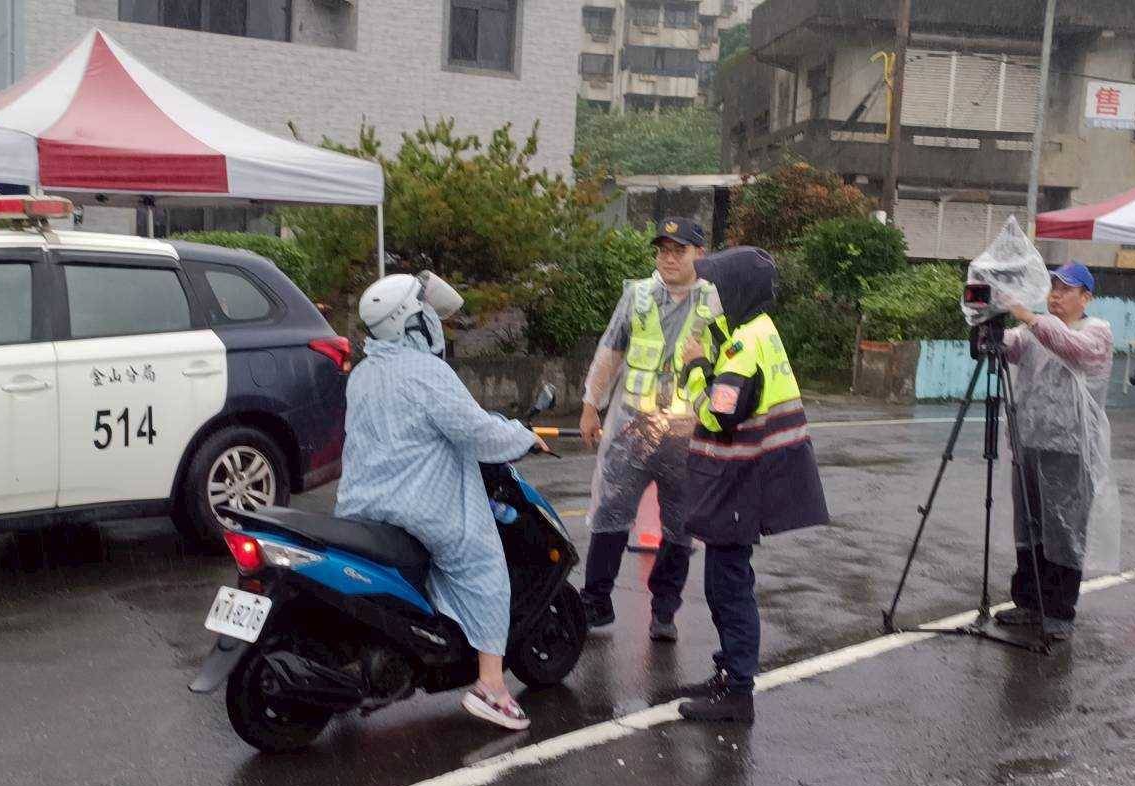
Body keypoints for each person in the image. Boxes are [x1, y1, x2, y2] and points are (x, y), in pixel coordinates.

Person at [335, 273, 550, 731]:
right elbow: (477, 434)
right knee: (483, 563)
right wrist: (524, 436)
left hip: (363, 507)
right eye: (429, 314)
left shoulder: (364, 373)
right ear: (412, 322)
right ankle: (491, 687)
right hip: (419, 508)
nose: (437, 322)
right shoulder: (427, 372)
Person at [674, 246, 829, 723]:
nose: (713, 298)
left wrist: (697, 365)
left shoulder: (745, 346)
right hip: (745, 479)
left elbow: (718, 415)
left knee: (729, 585)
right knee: (726, 580)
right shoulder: (756, 332)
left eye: (719, 289)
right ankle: (729, 672)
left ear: (739, 291)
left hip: (741, 481)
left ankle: (738, 691)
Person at [578, 217, 724, 642]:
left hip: (686, 433)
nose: (668, 257)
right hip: (632, 428)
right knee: (609, 513)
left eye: (678, 250)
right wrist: (591, 406)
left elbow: (728, 362)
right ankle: (595, 603)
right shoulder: (637, 295)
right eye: (662, 250)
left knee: (680, 527)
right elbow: (610, 352)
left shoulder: (714, 301)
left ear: (699, 252)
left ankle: (664, 610)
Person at [995, 262, 1121, 642]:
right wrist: (989, 323)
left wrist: (1029, 317)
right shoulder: (1035, 331)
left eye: (1066, 289)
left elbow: (1070, 347)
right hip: (1029, 441)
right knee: (1029, 526)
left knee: (1064, 532)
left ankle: (1059, 611)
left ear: (1086, 297)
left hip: (1069, 448)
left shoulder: (1096, 332)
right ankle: (1029, 602)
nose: (1055, 294)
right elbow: (1011, 345)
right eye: (1053, 286)